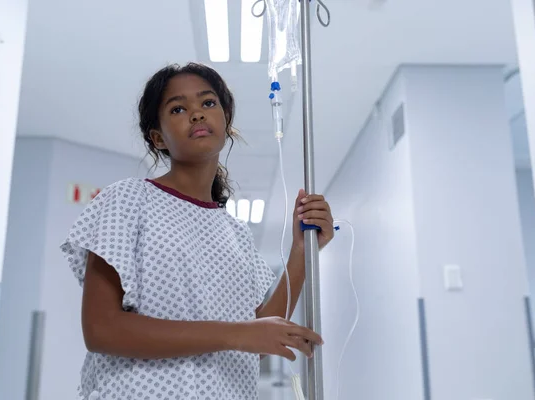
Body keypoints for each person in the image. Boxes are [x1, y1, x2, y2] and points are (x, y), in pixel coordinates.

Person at [61, 62, 335, 400]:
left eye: (208, 103)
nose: (197, 114)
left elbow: (256, 339)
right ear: (158, 137)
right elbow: (102, 329)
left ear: (225, 120)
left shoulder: (236, 234)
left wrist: (302, 251)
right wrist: (235, 334)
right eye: (178, 108)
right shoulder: (129, 200)